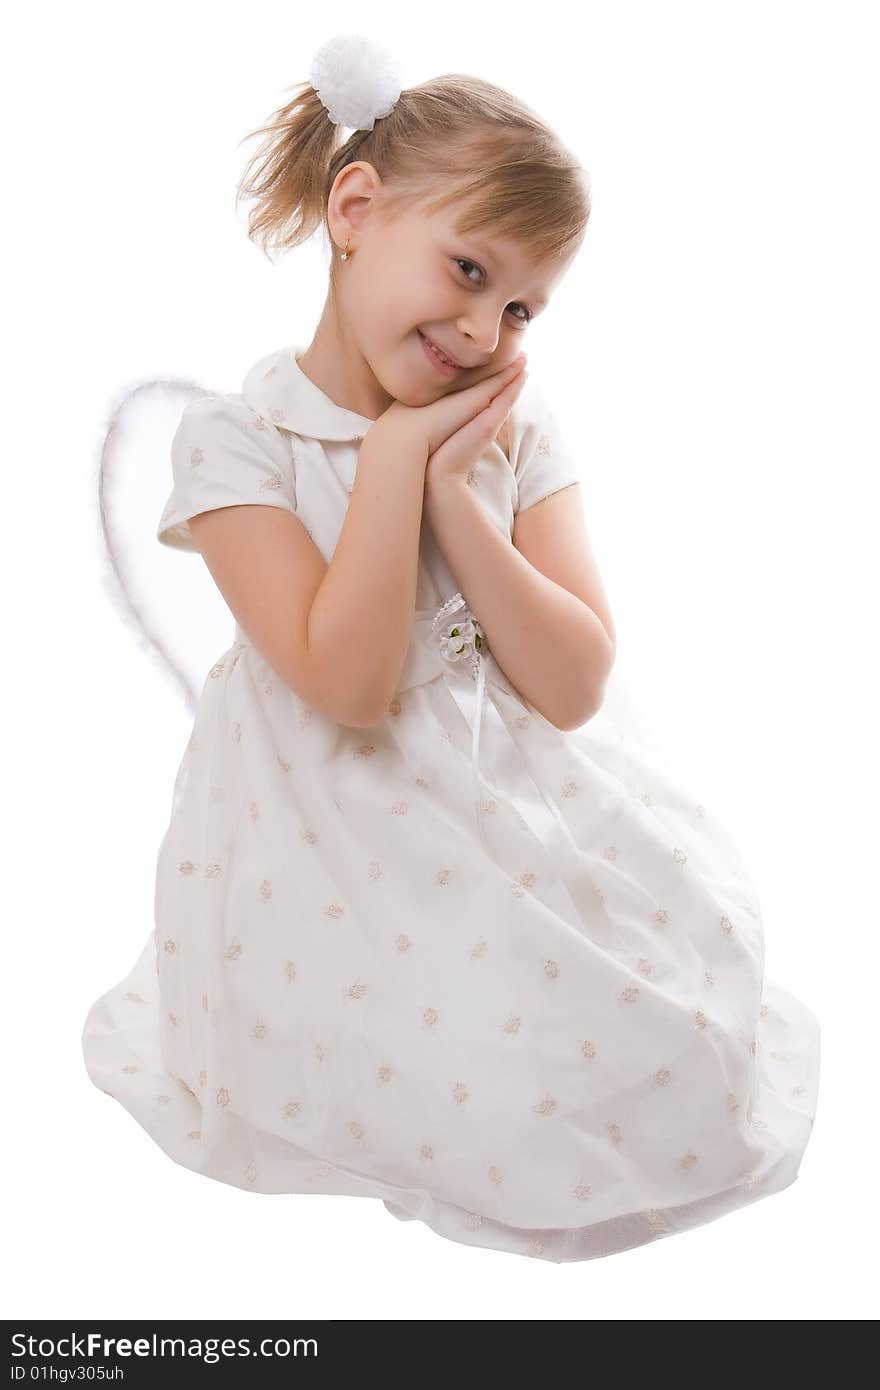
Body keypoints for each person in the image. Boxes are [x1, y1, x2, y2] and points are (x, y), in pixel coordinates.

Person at [81, 33, 821, 1264]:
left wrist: (459, 500)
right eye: (469, 271)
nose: (485, 330)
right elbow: (351, 684)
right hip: (333, 837)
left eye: (521, 305)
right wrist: (386, 465)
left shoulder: (512, 436)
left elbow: (574, 683)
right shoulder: (238, 446)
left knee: (672, 1036)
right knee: (480, 1073)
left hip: (509, 807)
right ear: (357, 211)